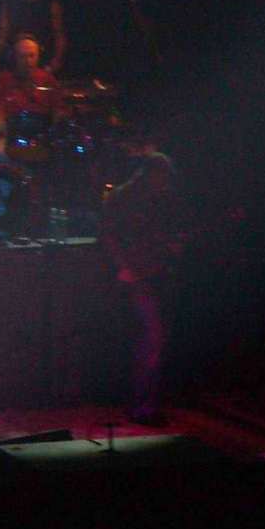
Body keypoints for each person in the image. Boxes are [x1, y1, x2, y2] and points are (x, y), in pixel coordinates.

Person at [99, 145, 186, 425]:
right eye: (162, 177)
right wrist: (126, 266)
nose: (165, 183)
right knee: (151, 338)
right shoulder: (124, 199)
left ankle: (142, 402)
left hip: (152, 274)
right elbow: (110, 237)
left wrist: (171, 246)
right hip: (136, 277)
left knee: (151, 340)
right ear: (150, 174)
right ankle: (141, 405)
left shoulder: (159, 200)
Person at [0, 35, 63, 118]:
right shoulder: (2, 80)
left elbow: (60, 110)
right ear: (14, 57)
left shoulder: (47, 79)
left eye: (32, 56)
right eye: (22, 56)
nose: (28, 61)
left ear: (39, 56)